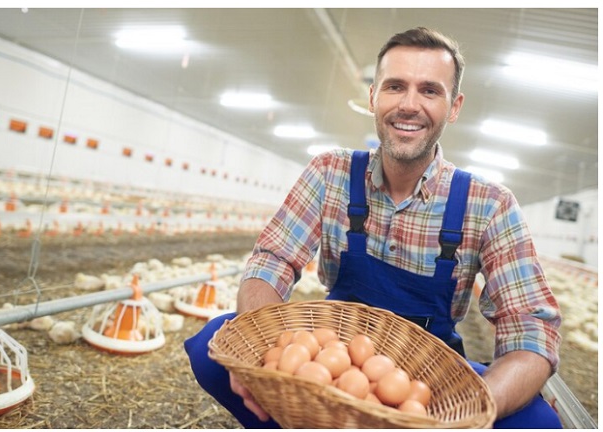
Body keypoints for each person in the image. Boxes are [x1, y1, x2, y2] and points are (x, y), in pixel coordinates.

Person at [185, 26, 562, 429]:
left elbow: (531, 331)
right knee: (214, 342)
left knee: (538, 422)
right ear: (372, 97)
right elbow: (272, 260)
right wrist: (259, 356)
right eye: (395, 86)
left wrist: (467, 411)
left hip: (427, 377)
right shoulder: (331, 172)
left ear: (454, 106)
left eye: (430, 91)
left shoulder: (489, 204)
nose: (409, 105)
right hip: (334, 358)